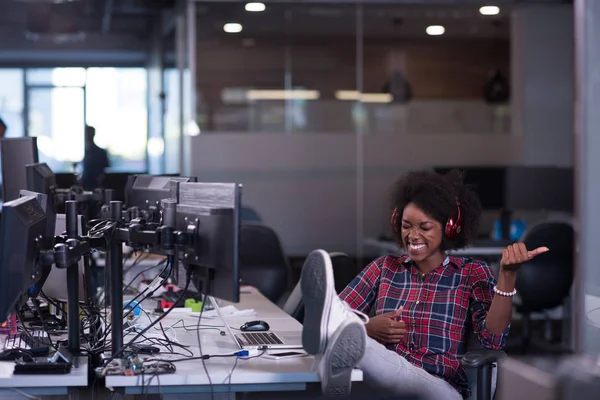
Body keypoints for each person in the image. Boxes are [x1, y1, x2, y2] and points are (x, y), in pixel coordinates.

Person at [300, 169, 548, 400]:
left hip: (440, 387)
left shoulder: (472, 273)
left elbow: (492, 342)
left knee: (358, 343)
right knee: (343, 329)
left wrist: (507, 275)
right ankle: (339, 345)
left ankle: (340, 347)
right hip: (382, 379)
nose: (413, 235)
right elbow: (346, 311)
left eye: (425, 227)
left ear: (450, 228)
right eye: (406, 226)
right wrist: (368, 327)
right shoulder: (384, 267)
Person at [80, 125, 110, 191]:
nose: (87, 136)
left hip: (96, 187)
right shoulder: (88, 151)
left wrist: (99, 180)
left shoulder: (100, 152)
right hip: (86, 186)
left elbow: (105, 170)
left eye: (88, 134)